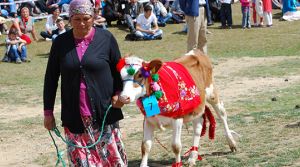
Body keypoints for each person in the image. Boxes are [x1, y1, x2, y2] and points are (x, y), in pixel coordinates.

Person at [43, 0, 128, 166]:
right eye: (77, 19)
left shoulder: (106, 38)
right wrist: (48, 112)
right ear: (69, 19)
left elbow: (119, 71)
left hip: (103, 113)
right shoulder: (60, 43)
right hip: (75, 115)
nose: (82, 23)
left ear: (93, 17)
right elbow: (51, 79)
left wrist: (119, 93)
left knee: (109, 161)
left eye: (86, 18)